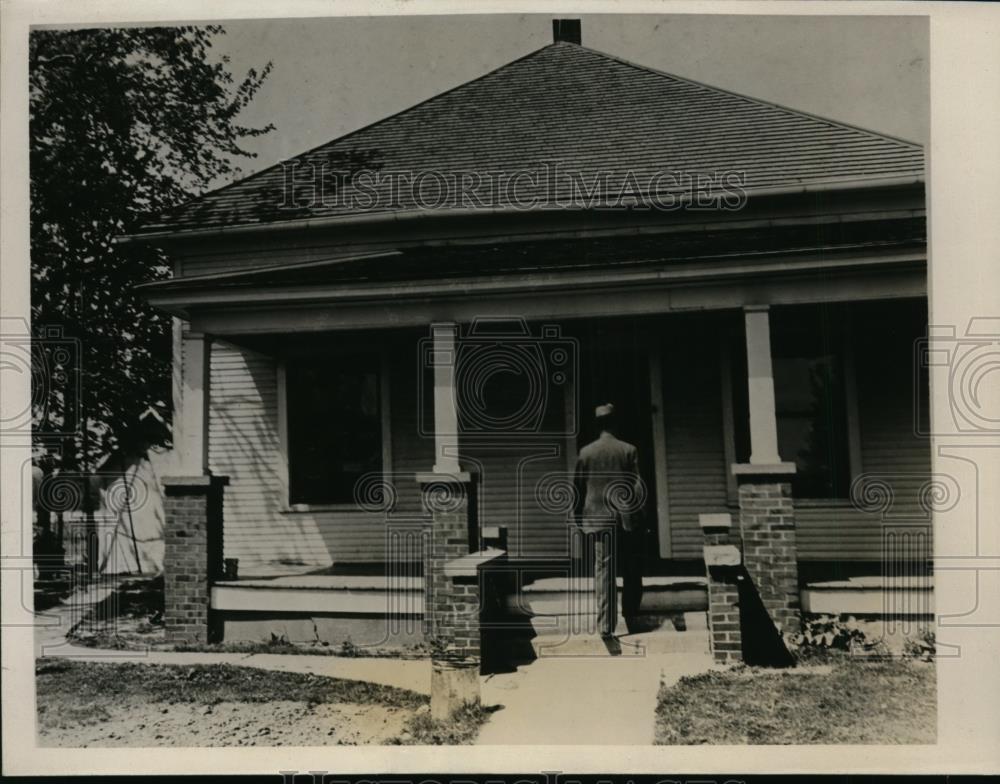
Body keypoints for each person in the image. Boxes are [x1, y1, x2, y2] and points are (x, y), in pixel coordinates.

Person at [572, 403, 645, 638]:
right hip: (625, 518)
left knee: (604, 570)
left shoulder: (586, 453)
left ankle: (606, 624)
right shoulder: (628, 450)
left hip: (596, 519)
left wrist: (579, 518)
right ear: (615, 423)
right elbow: (637, 487)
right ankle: (631, 611)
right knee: (631, 566)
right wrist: (638, 518)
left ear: (597, 425)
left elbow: (578, 490)